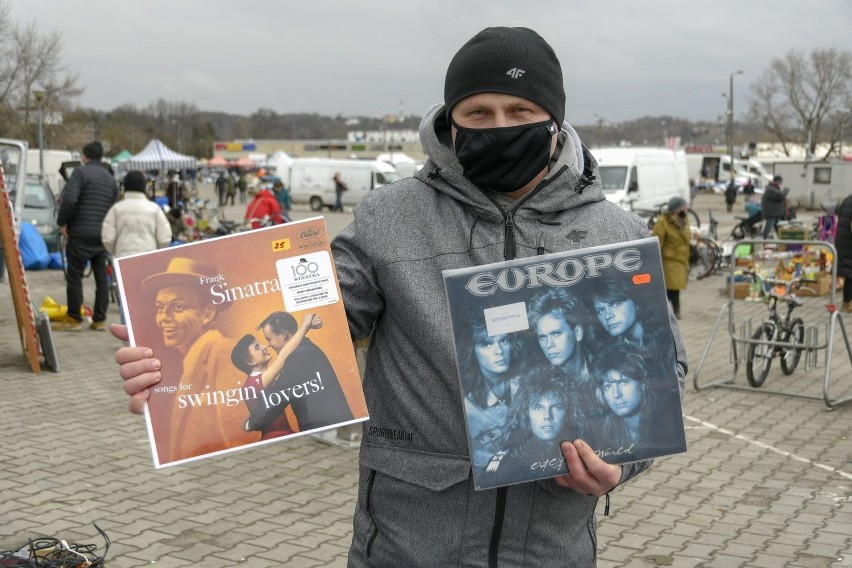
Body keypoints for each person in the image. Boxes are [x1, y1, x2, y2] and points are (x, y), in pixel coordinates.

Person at [112, 27, 686, 565]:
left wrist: (621, 466)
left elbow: (664, 370)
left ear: (554, 122)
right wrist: (175, 365)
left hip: (549, 542)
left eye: (520, 112)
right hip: (411, 537)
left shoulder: (618, 236)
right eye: (478, 113)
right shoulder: (392, 215)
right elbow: (309, 315)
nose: (500, 125)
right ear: (451, 123)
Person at [141, 257, 255, 463]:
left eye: (177, 307)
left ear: (208, 313)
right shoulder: (194, 358)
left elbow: (243, 438)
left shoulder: (223, 353)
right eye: (160, 307)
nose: (164, 317)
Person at [245, 311, 354, 433]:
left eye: (269, 339)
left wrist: (251, 423)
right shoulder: (305, 349)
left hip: (329, 430)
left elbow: (278, 397)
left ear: (283, 335)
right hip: (334, 428)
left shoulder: (299, 357)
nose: (268, 345)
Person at [54, 141, 119, 331]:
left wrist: (62, 223)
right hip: (101, 237)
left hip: (80, 234)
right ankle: (99, 319)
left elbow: (70, 199)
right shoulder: (110, 178)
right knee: (101, 278)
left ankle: (74, 318)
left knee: (74, 276)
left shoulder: (80, 173)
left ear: (84, 156)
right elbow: (113, 206)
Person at [481, 368, 584, 486]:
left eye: (557, 407)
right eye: (538, 408)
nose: (547, 416)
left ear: (569, 412)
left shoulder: (583, 447)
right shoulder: (507, 463)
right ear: (526, 413)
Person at [229, 313, 322, 440]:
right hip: (275, 437)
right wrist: (305, 326)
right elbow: (284, 356)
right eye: (257, 347)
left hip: (286, 434)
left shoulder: (264, 380)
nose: (264, 346)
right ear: (250, 362)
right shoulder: (252, 385)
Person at [458, 313, 527, 471]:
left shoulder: (530, 385)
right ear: (472, 350)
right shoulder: (468, 409)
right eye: (486, 344)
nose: (499, 351)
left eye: (503, 340)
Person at [101, 170, 172, 258]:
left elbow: (108, 238)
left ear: (125, 186)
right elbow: (164, 238)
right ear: (144, 186)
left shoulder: (116, 209)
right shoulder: (154, 209)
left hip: (123, 258)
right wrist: (156, 251)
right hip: (149, 257)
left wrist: (116, 251)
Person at [527, 287, 591, 383]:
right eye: (543, 337)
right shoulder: (536, 384)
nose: (549, 344)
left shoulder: (605, 372)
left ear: (578, 332)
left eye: (556, 334)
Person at [652, 196, 691, 319]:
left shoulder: (684, 220)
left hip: (681, 259)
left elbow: (687, 235)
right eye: (683, 207)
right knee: (671, 288)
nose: (686, 209)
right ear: (676, 209)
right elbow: (657, 241)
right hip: (669, 260)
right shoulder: (662, 222)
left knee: (675, 287)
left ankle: (673, 310)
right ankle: (672, 311)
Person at [835, 193, 852, 313]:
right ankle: (848, 304)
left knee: (849, 273)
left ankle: (847, 303)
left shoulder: (847, 199)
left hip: (843, 241)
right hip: (849, 242)